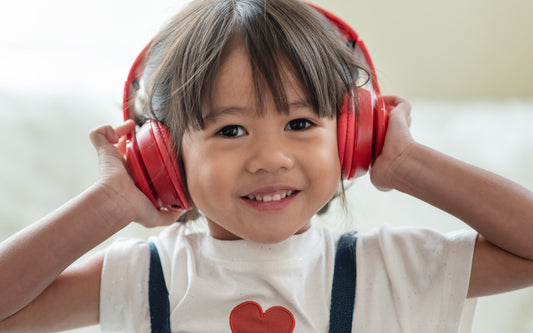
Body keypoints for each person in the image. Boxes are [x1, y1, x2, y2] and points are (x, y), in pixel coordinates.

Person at [1, 0, 533, 332]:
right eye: (230, 130)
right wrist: (113, 201)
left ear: (351, 139)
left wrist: (406, 163)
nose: (270, 158)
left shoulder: (390, 272)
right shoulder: (146, 278)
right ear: (163, 156)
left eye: (300, 123)